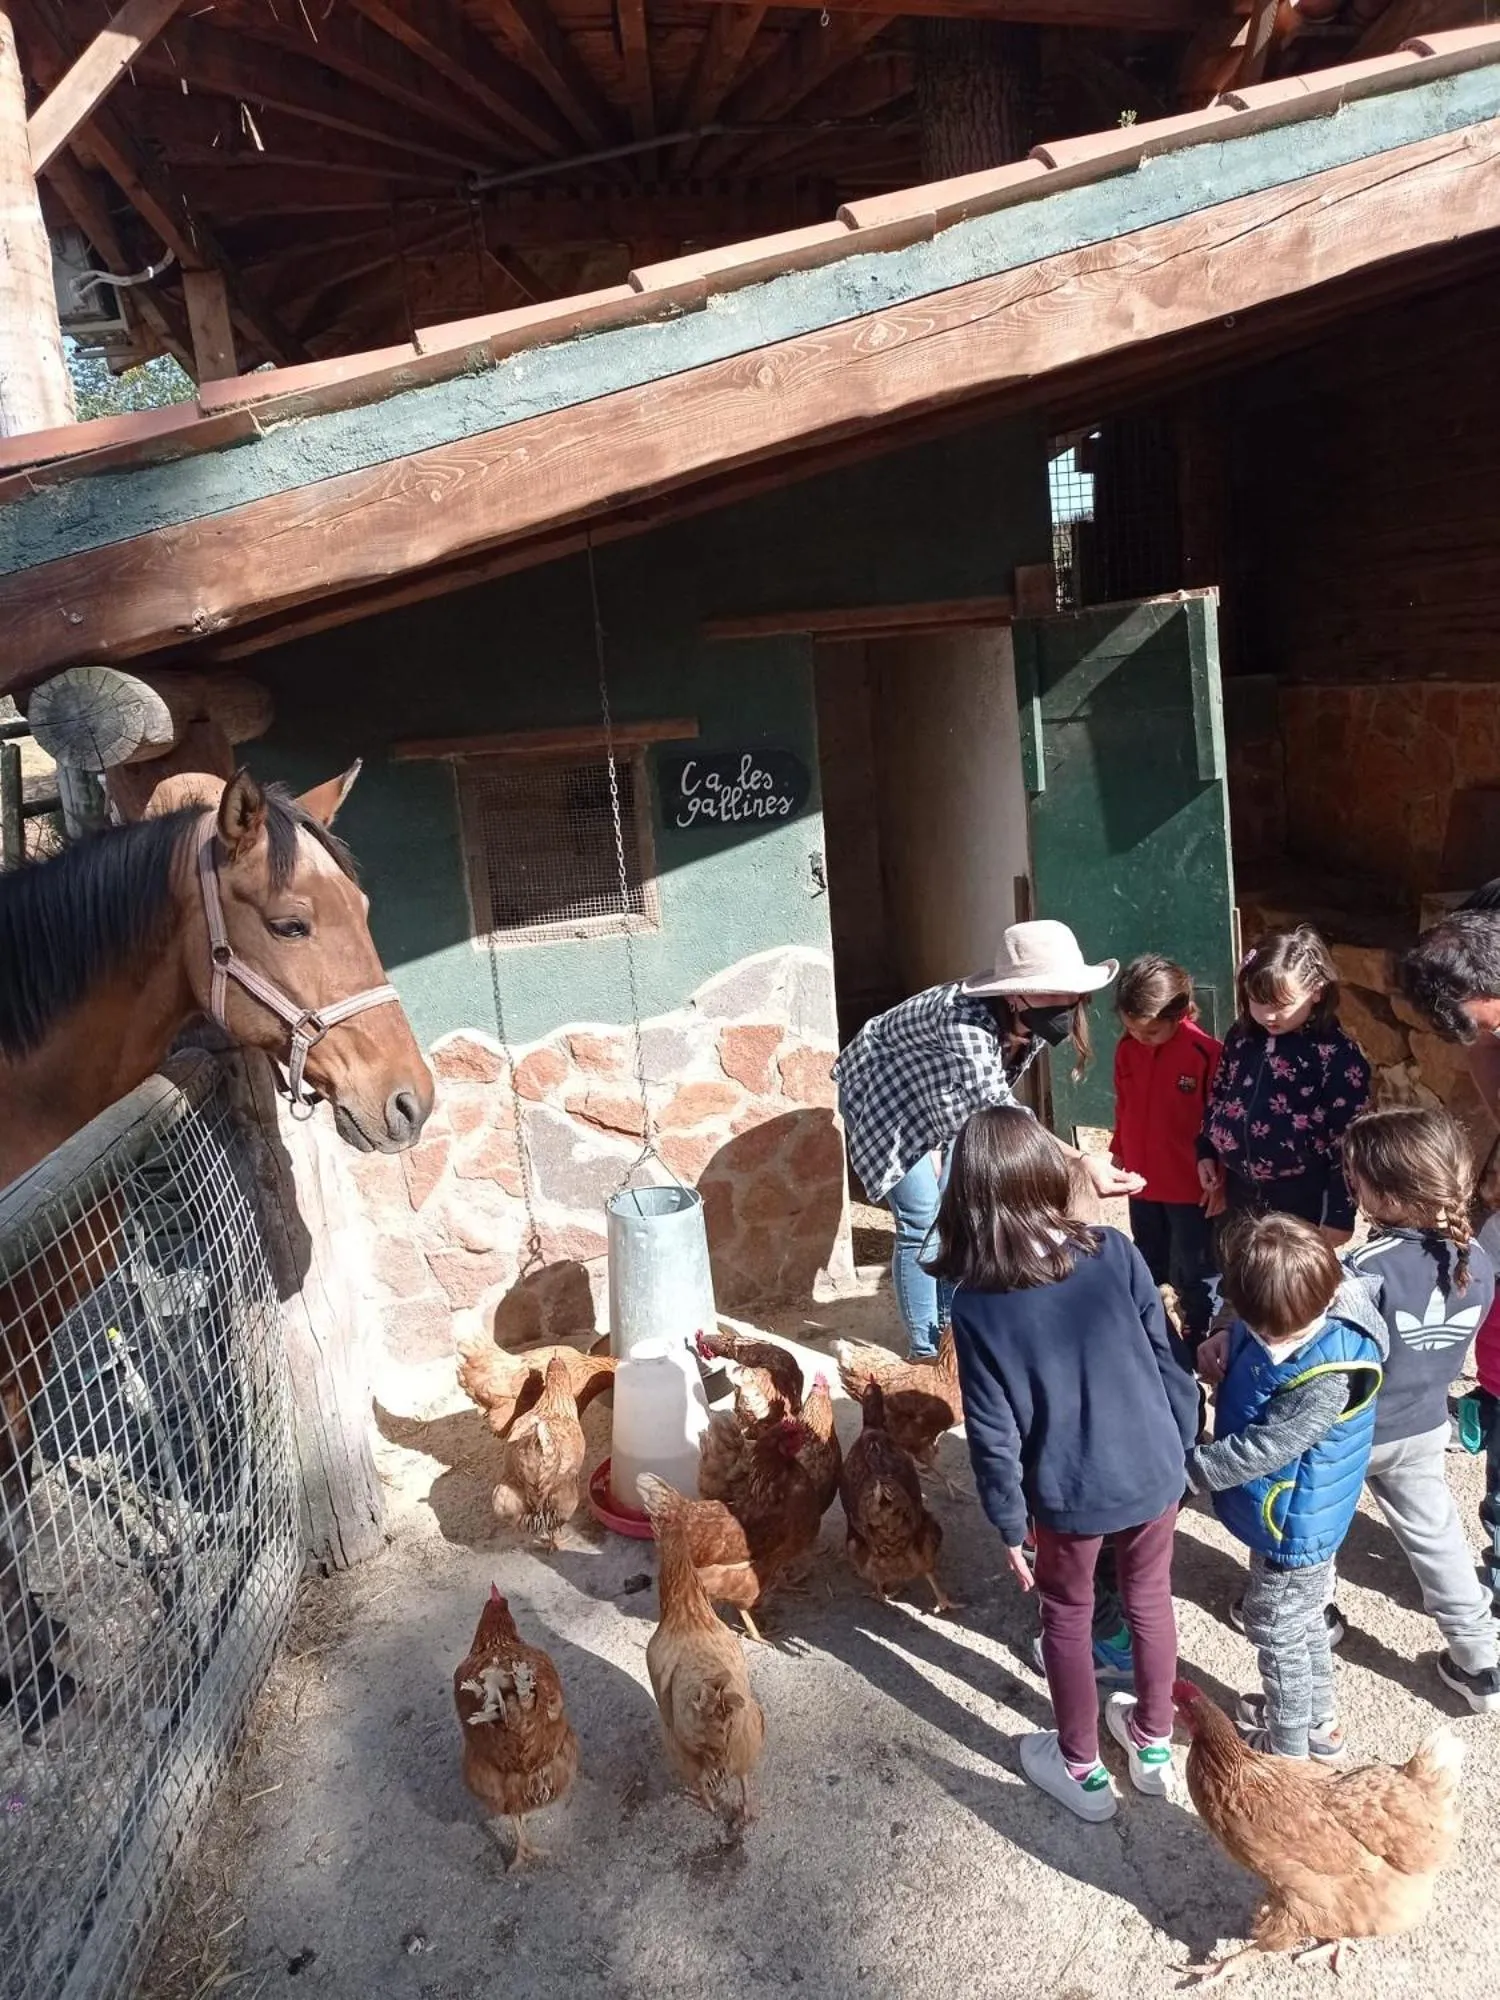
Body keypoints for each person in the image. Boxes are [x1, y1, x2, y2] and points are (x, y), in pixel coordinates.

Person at [930, 1106, 1199, 1822]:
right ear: (1051, 1178)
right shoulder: (1115, 1252)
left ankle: (1079, 1767)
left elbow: (992, 1432)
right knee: (1149, 1602)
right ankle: (1151, 1744)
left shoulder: (977, 1305)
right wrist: (1183, 1448)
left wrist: (1009, 1523)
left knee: (1067, 1618)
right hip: (1153, 1470)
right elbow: (1171, 1363)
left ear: (969, 1197)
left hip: (1067, 1496)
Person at [832, 920, 1141, 1362]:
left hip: (943, 1091)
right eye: (1052, 992)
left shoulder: (1030, 1020)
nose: (1066, 1003)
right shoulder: (964, 1022)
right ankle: (926, 1350)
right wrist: (1083, 1160)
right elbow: (1004, 1113)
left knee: (954, 1211)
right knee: (921, 1219)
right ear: (1015, 993)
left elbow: (989, 1105)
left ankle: (952, 1333)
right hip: (887, 1094)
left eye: (1070, 992)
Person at [1186, 1213, 1385, 1761]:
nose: (1263, 1336)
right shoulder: (1299, 1313)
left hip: (1294, 1523)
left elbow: (1263, 1449)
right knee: (1301, 1623)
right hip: (1297, 1513)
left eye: (1266, 1331)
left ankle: (1288, 1745)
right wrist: (1226, 1334)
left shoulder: (1325, 1378)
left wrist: (1190, 1471)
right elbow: (1258, 1333)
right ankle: (1317, 1722)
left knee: (1274, 1631)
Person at [1330, 1107, 1500, 1711]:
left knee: (1319, 1526)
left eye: (1357, 1178)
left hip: (1351, 1433)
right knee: (1438, 1538)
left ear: (1385, 1193)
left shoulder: (1362, 1270)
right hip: (1426, 1424)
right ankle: (1480, 1660)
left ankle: (1318, 1616)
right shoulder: (1477, 1262)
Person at [1198, 926, 1372, 1246]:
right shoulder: (1242, 1036)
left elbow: (1348, 1139)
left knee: (1290, 1286)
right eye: (1258, 1002)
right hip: (1239, 1187)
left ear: (1317, 991)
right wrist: (1207, 1149)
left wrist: (1339, 1213)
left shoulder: (1336, 1055)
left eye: (1282, 1003)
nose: (1269, 1015)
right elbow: (1220, 1093)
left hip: (1300, 1196)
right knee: (1241, 1273)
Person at [1110, 954, 1223, 1360]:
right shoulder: (1127, 1050)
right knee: (1148, 1258)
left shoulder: (1206, 1053)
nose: (1142, 1037)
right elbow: (1123, 1105)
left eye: (1152, 1030)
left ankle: (1198, 1332)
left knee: (1194, 1267)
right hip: (1143, 1180)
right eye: (1132, 1028)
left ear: (1179, 1013)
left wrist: (1220, 1180)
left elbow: (1219, 1123)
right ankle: (1152, 1332)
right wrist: (1119, 1150)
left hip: (1189, 1186)